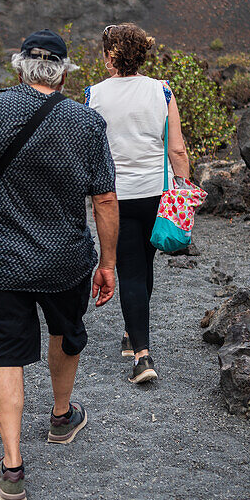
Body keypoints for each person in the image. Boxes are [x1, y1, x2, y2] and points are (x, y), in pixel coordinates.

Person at [0, 29, 119, 500]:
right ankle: (62, 417)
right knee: (65, 329)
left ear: (19, 68)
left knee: (6, 354)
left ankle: (13, 466)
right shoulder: (86, 123)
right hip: (65, 258)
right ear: (62, 73)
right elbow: (103, 198)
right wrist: (109, 262)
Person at [84, 23, 191, 384]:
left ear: (110, 55)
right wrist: (184, 188)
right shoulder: (162, 91)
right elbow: (176, 147)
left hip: (115, 196)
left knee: (130, 269)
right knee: (145, 265)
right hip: (157, 194)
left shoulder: (93, 95)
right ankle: (132, 333)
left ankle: (141, 356)